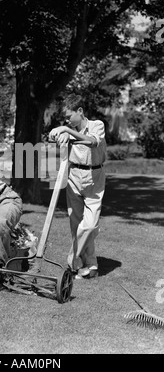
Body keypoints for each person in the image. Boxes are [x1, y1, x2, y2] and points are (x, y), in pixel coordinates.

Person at [49, 94, 107, 279]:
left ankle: (72, 261)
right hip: (73, 176)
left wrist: (67, 130)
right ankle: (89, 265)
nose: (66, 120)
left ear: (80, 111)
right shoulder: (68, 130)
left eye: (68, 116)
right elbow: (52, 139)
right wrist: (57, 135)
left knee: (89, 226)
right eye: (65, 119)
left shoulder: (97, 125)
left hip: (94, 177)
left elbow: (92, 142)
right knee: (76, 225)